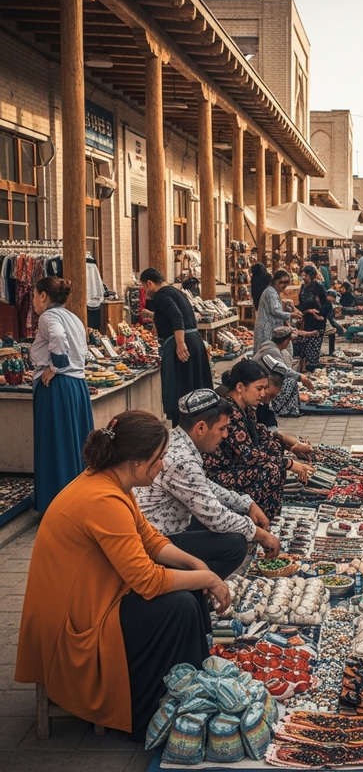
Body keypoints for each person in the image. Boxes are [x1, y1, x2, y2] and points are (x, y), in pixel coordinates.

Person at [16, 410, 231, 740]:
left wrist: (195, 564)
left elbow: (150, 539)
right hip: (78, 624)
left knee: (187, 588)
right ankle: (150, 714)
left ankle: (193, 688)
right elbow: (147, 581)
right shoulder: (103, 499)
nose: (162, 465)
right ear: (137, 461)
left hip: (95, 602)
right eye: (158, 458)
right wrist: (210, 579)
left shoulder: (112, 482)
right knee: (179, 605)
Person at [134, 389, 281, 563]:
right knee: (235, 544)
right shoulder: (182, 460)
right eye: (222, 428)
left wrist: (246, 503)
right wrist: (261, 535)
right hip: (155, 541)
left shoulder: (176, 438)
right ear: (201, 428)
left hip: (168, 525)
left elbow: (205, 485)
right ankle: (196, 580)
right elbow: (216, 517)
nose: (225, 435)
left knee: (230, 518)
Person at [204, 360, 314, 520]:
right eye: (259, 388)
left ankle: (268, 517)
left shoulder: (247, 410)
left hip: (238, 466)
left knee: (274, 449)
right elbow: (249, 455)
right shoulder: (229, 413)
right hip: (219, 475)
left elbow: (264, 437)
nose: (262, 394)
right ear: (240, 387)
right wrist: (290, 464)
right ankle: (253, 519)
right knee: (271, 470)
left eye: (264, 388)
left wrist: (290, 445)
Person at [30, 276, 94, 512]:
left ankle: (58, 503)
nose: (33, 302)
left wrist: (55, 366)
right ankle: (77, 499)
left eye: (34, 296)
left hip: (58, 386)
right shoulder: (73, 317)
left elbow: (57, 337)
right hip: (76, 384)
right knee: (75, 441)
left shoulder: (48, 317)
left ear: (43, 295)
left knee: (56, 442)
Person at [140, 267, 212, 427]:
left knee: (183, 390)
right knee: (194, 388)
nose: (145, 291)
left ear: (149, 283)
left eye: (144, 287)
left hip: (184, 343)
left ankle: (185, 428)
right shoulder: (175, 291)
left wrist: (180, 343)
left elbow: (176, 316)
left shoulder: (161, 295)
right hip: (193, 340)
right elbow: (173, 315)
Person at [253, 326, 314, 418]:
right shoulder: (271, 350)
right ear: (286, 341)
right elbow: (282, 370)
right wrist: (301, 377)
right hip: (263, 385)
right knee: (290, 380)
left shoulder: (269, 347)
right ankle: (285, 409)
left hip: (263, 382)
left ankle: (289, 408)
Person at [293, 265, 331, 371]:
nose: (303, 277)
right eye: (303, 275)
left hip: (316, 322)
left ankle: (312, 370)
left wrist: (321, 315)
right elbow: (302, 305)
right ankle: (304, 368)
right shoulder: (303, 287)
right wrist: (300, 310)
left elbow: (326, 304)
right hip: (306, 321)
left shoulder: (318, 287)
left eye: (305, 275)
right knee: (304, 346)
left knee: (313, 348)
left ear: (311, 276)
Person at [254, 268, 303, 350]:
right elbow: (275, 311)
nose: (283, 285)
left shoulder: (274, 292)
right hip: (267, 328)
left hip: (270, 327)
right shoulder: (271, 292)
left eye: (286, 282)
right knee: (266, 351)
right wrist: (291, 315)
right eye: (281, 282)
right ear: (275, 281)